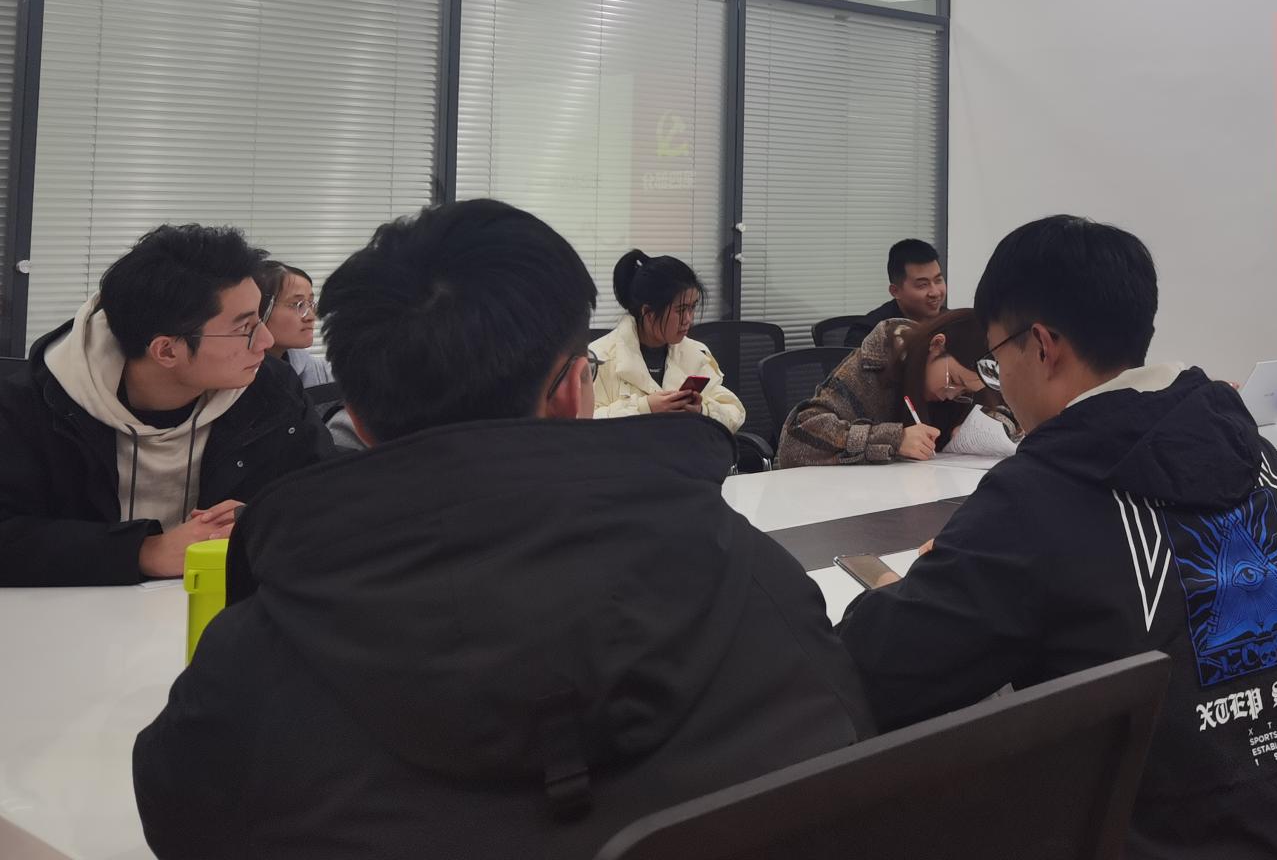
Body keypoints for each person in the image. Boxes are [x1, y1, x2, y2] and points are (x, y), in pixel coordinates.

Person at [133, 199, 873, 860]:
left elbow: (182, 818)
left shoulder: (253, 662)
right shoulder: (755, 580)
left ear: (355, 417)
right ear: (573, 394)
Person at [838, 216, 1277, 860]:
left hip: (1144, 836)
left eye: (996, 357)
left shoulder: (1041, 492)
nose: (998, 381)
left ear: (1042, 346)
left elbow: (875, 673)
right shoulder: (1254, 453)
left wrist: (904, 586)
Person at [0, 225, 328, 588]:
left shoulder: (270, 389)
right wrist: (145, 552)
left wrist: (264, 517)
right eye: (244, 329)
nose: (265, 341)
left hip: (223, 609)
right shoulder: (35, 406)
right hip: (70, 614)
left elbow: (327, 493)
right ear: (167, 350)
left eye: (260, 319)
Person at [776, 308, 1014, 467]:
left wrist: (982, 429)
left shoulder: (967, 381)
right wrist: (894, 438)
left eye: (964, 392)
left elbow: (1009, 411)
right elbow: (795, 440)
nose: (951, 394)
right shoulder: (876, 365)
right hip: (848, 502)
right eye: (953, 380)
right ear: (937, 345)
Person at [590, 250, 744, 431]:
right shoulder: (600, 357)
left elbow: (735, 413)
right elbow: (583, 425)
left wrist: (702, 411)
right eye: (681, 310)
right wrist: (644, 409)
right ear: (648, 313)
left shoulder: (696, 353)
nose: (689, 319)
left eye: (692, 307)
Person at [254, 261, 335, 389]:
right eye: (297, 304)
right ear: (259, 308)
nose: (310, 317)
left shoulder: (305, 367)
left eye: (310, 303)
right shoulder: (236, 379)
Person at [860, 237, 947, 329]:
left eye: (938, 280)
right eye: (923, 284)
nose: (935, 293)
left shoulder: (952, 323)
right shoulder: (870, 330)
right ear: (895, 291)